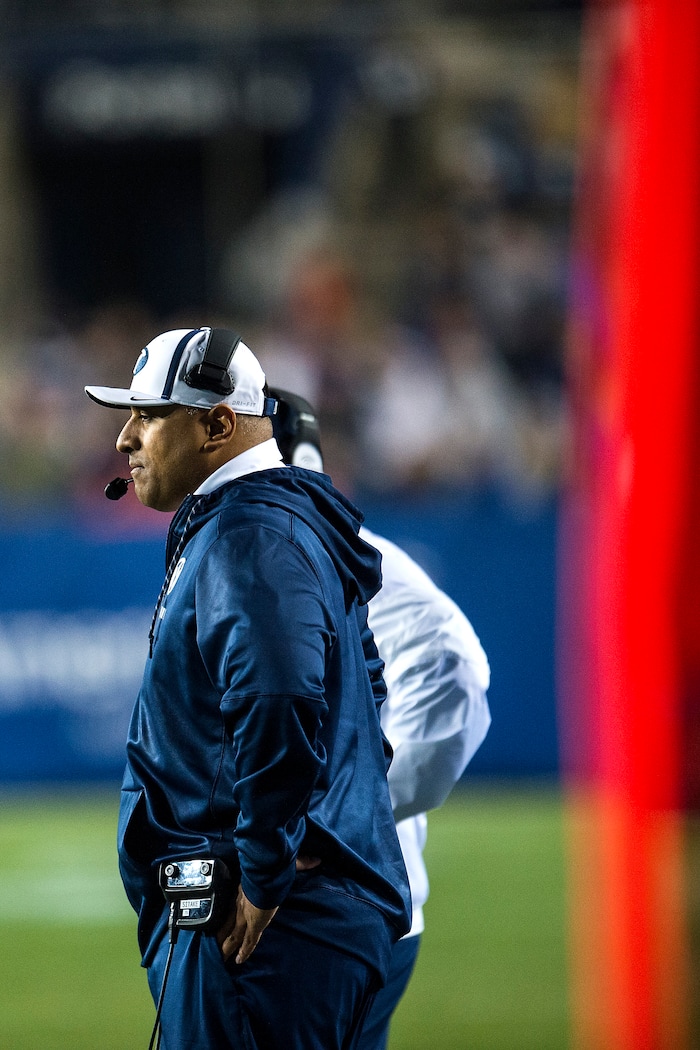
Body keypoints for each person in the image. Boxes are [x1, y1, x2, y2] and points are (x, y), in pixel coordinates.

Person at [84, 326, 411, 1050]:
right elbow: (366, 684)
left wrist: (265, 870)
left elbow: (281, 698)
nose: (125, 439)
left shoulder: (250, 534)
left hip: (262, 928)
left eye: (150, 415)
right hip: (292, 921)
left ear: (218, 425)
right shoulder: (277, 519)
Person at [270, 388, 492, 1050]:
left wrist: (333, 823)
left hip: (331, 909)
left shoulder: (336, 558)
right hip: (305, 905)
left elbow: (454, 668)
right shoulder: (268, 555)